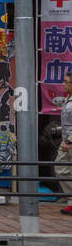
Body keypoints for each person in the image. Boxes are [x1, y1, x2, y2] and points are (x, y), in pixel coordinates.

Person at [56, 71, 72, 215]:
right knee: (61, 169)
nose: (64, 84)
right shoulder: (69, 98)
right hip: (66, 139)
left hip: (69, 141)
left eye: (66, 81)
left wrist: (69, 140)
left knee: (62, 169)